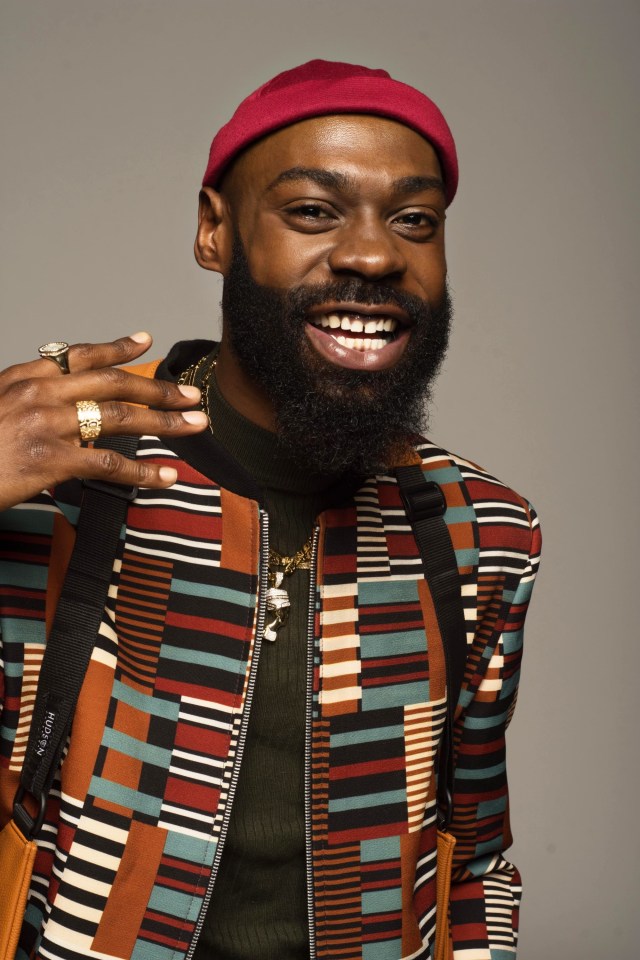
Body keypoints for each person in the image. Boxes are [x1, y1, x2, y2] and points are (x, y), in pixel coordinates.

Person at [0, 60, 541, 960]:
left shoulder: (481, 531)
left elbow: (475, 863)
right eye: (314, 211)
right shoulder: (58, 487)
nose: (374, 255)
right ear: (215, 230)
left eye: (414, 220)